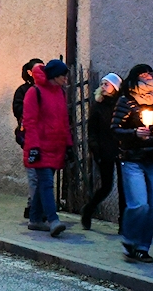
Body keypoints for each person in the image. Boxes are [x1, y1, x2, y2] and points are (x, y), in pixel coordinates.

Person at [111, 64, 153, 262]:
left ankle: (143, 247)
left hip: (152, 158)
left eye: (150, 73)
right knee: (139, 204)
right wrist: (134, 133)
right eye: (143, 74)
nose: (147, 76)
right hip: (132, 158)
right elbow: (115, 129)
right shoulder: (126, 101)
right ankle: (129, 238)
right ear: (134, 78)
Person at [22, 60, 71, 237]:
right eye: (63, 75)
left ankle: (35, 219)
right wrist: (34, 147)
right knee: (47, 184)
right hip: (40, 147)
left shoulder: (60, 93)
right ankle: (53, 219)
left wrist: (68, 144)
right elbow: (30, 122)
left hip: (55, 146)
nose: (66, 78)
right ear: (53, 76)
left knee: (44, 183)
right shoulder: (34, 93)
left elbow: (64, 122)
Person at [82, 72, 125, 231]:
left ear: (115, 87)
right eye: (102, 84)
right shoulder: (98, 106)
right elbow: (92, 131)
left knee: (124, 187)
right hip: (104, 151)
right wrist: (96, 150)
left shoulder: (121, 104)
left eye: (106, 84)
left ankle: (123, 222)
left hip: (121, 150)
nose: (103, 86)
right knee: (107, 186)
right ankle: (89, 209)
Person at [13, 58, 44, 219]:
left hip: (44, 137)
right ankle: (33, 205)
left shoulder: (47, 89)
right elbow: (18, 109)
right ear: (30, 72)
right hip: (29, 135)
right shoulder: (23, 90)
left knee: (43, 176)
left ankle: (37, 205)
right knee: (33, 174)